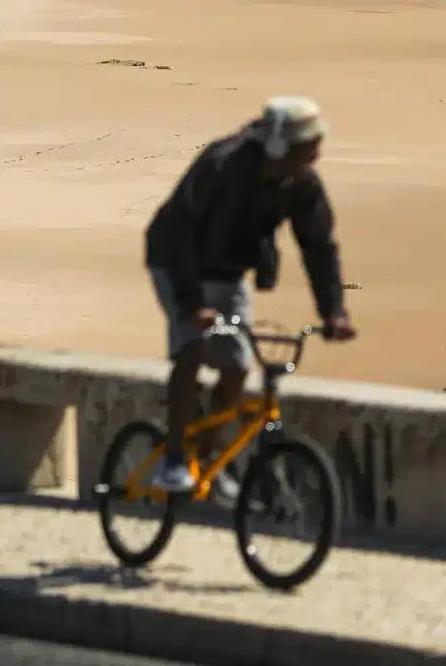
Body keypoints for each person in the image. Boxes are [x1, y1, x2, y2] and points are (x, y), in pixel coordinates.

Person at [143, 96, 357, 495]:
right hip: (175, 263)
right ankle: (173, 458)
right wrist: (192, 304)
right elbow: (180, 231)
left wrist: (333, 313)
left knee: (238, 366)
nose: (316, 154)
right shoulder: (221, 165)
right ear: (279, 147)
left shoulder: (303, 184)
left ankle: (208, 457)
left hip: (229, 272)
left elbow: (319, 246)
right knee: (191, 350)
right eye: (308, 146)